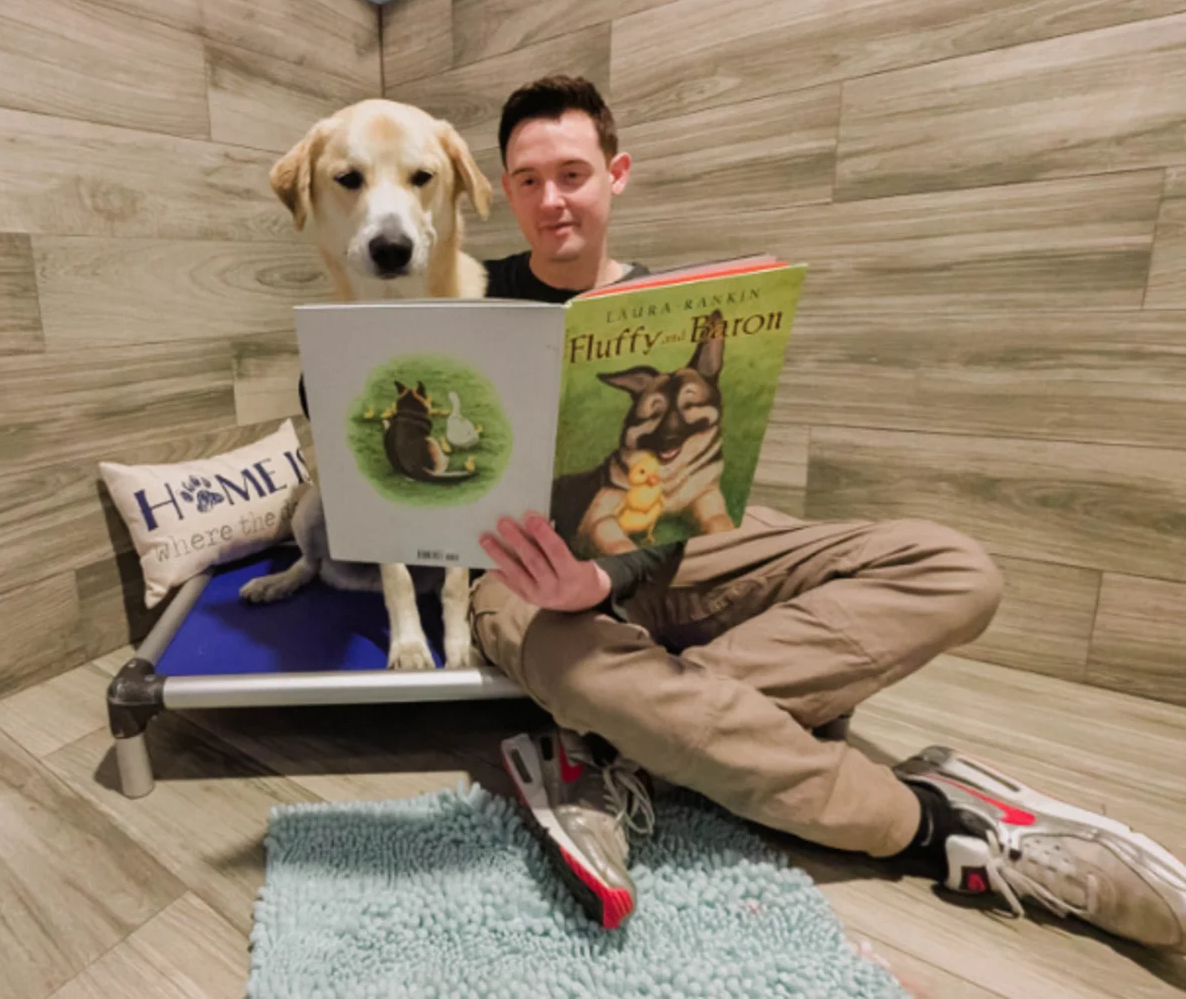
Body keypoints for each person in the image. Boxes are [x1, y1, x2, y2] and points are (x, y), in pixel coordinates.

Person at [460, 76, 1186, 947]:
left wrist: (606, 575)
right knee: (574, 664)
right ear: (505, 189)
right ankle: (945, 829)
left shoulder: (662, 312)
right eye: (528, 180)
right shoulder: (461, 287)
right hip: (513, 568)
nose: (551, 201)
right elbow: (340, 393)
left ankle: (626, 745)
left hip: (666, 543)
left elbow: (672, 520)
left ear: (617, 174)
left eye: (571, 174)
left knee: (956, 569)